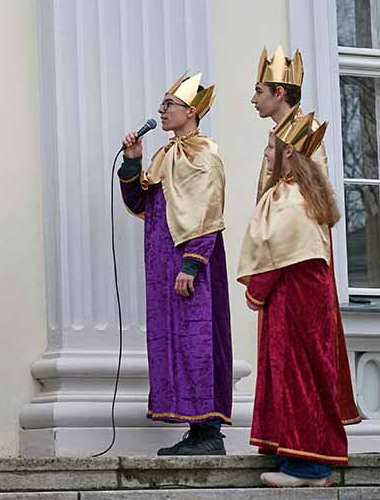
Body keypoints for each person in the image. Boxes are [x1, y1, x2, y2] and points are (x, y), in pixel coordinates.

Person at [117, 73, 233, 455]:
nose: (160, 110)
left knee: (198, 341)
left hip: (190, 267)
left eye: (169, 105)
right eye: (162, 104)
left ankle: (209, 432)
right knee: (175, 344)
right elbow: (141, 204)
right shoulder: (165, 154)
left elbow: (208, 213)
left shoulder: (205, 156)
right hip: (163, 265)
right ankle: (194, 429)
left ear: (192, 111)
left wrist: (193, 263)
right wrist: (133, 164)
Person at [250, 46, 361, 427]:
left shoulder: (304, 132)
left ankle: (305, 433)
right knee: (279, 345)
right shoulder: (277, 135)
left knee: (301, 347)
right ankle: (282, 432)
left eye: (259, 91)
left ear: (279, 93)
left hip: (298, 249)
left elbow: (313, 194)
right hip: (278, 246)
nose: (254, 99)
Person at [238, 109, 347, 487]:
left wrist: (257, 289)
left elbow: (278, 248)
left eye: (271, 148)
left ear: (288, 153)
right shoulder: (295, 192)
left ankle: (308, 467)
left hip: (297, 294)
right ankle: (288, 452)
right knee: (291, 371)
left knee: (299, 373)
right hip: (295, 293)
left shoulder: (293, 197)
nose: (266, 155)